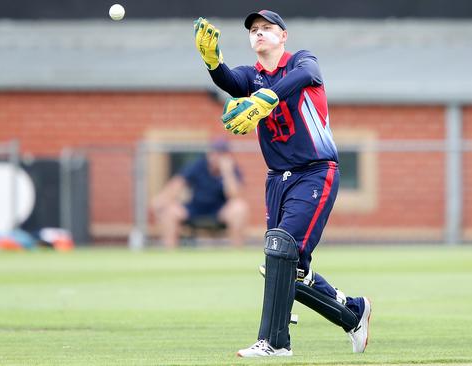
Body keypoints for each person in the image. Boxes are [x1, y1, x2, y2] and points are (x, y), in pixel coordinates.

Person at [194, 10, 371, 357]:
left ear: (283, 36)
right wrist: (213, 63)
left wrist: (266, 99)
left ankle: (275, 343)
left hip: (315, 171)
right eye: (254, 30)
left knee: (281, 251)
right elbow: (230, 82)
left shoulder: (301, 62)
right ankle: (353, 312)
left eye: (266, 28)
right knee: (286, 267)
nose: (259, 34)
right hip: (278, 180)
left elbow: (307, 75)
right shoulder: (251, 76)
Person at [150, 139, 248, 249]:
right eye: (214, 153)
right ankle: (170, 253)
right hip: (195, 208)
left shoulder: (232, 170)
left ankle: (236, 252)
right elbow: (178, 183)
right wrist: (162, 199)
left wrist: (227, 172)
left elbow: (234, 196)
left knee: (239, 207)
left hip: (219, 211)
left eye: (221, 154)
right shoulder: (198, 166)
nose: (216, 157)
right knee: (170, 210)